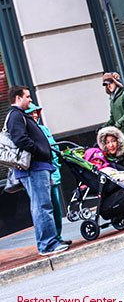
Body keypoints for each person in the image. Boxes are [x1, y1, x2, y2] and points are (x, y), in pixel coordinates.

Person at [5, 86, 69, 256]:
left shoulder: (19, 115)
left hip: (38, 167)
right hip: (33, 168)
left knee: (45, 205)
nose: (31, 100)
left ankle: (53, 240)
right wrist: (40, 151)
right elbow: (20, 139)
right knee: (42, 206)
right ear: (18, 98)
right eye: (27, 96)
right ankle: (47, 245)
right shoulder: (16, 116)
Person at [25, 104, 69, 246]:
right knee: (45, 209)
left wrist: (56, 168)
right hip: (41, 174)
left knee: (55, 208)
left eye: (36, 112)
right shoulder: (28, 132)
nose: (35, 115)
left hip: (52, 173)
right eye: (31, 113)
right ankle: (51, 239)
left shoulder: (43, 129)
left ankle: (57, 237)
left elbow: (54, 149)